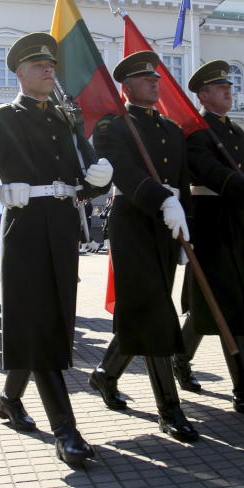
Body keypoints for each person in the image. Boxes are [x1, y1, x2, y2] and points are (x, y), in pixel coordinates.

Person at [0, 33, 113, 467]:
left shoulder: (63, 119)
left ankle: (10, 398)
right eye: (39, 65)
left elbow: (76, 179)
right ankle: (66, 430)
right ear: (20, 73)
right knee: (41, 328)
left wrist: (97, 181)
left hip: (61, 232)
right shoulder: (1, 119)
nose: (49, 69)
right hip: (23, 233)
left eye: (51, 64)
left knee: (49, 323)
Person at [86, 51, 199, 442]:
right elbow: (125, 171)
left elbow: (182, 180)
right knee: (155, 312)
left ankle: (105, 374)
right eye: (144, 78)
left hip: (168, 227)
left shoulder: (170, 129)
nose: (155, 82)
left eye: (155, 78)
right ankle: (169, 408)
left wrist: (185, 227)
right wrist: (161, 200)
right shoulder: (113, 126)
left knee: (142, 311)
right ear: (126, 87)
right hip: (133, 225)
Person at [171, 60, 244, 420]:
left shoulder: (234, 131)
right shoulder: (194, 132)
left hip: (235, 224)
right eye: (221, 89)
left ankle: (179, 360)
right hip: (207, 223)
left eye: (230, 88)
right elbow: (211, 172)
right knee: (229, 305)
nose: (229, 93)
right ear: (203, 95)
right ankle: (243, 391)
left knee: (209, 301)